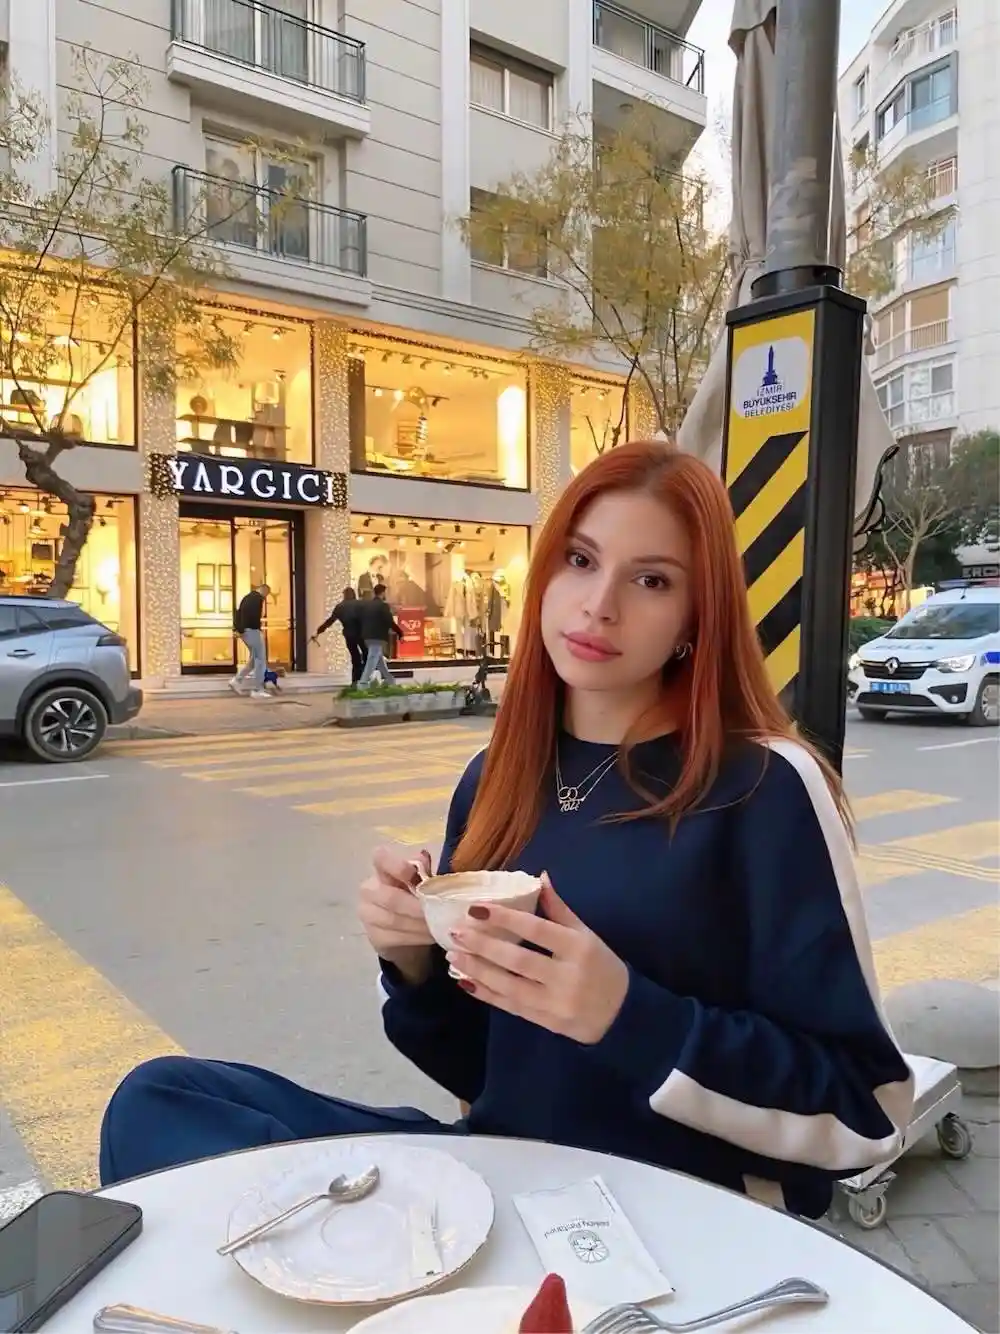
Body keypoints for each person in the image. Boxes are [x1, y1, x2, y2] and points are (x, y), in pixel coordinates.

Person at [98, 441, 913, 1219]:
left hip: (663, 1216)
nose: (599, 604)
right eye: (580, 560)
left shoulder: (762, 786)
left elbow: (866, 1112)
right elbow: (478, 1070)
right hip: (500, 1178)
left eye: (652, 580)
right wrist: (414, 963)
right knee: (160, 1102)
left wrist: (627, 1014)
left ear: (696, 617)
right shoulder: (497, 776)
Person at [312, 587, 365, 684]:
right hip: (361, 633)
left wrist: (319, 631)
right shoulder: (360, 604)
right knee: (366, 655)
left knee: (355, 657)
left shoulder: (340, 607)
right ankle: (364, 678)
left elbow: (330, 621)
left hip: (349, 634)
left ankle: (355, 680)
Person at [229, 583, 271, 699]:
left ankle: (236, 680)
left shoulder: (246, 598)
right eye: (266, 595)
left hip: (244, 632)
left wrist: (238, 629)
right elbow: (254, 617)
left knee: (254, 659)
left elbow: (238, 613)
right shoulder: (258, 599)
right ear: (264, 591)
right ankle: (258, 689)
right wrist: (258, 629)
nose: (265, 598)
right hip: (252, 631)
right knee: (260, 659)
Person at [357, 584, 402, 687]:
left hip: (367, 637)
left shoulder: (367, 605)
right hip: (377, 637)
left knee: (379, 659)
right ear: (383, 593)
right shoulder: (383, 606)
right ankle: (363, 683)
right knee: (372, 658)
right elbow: (390, 621)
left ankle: (389, 680)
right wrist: (400, 632)